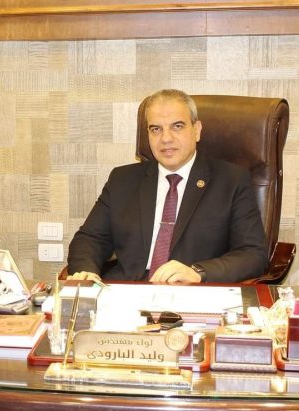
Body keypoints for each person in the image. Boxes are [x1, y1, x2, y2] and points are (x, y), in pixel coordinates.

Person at [67, 89, 268, 284]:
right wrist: (87, 272)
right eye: (156, 129)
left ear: (196, 130)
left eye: (177, 126)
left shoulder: (231, 181)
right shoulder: (122, 180)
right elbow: (89, 240)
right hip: (128, 291)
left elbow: (253, 253)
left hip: (192, 293)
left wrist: (198, 272)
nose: (166, 139)